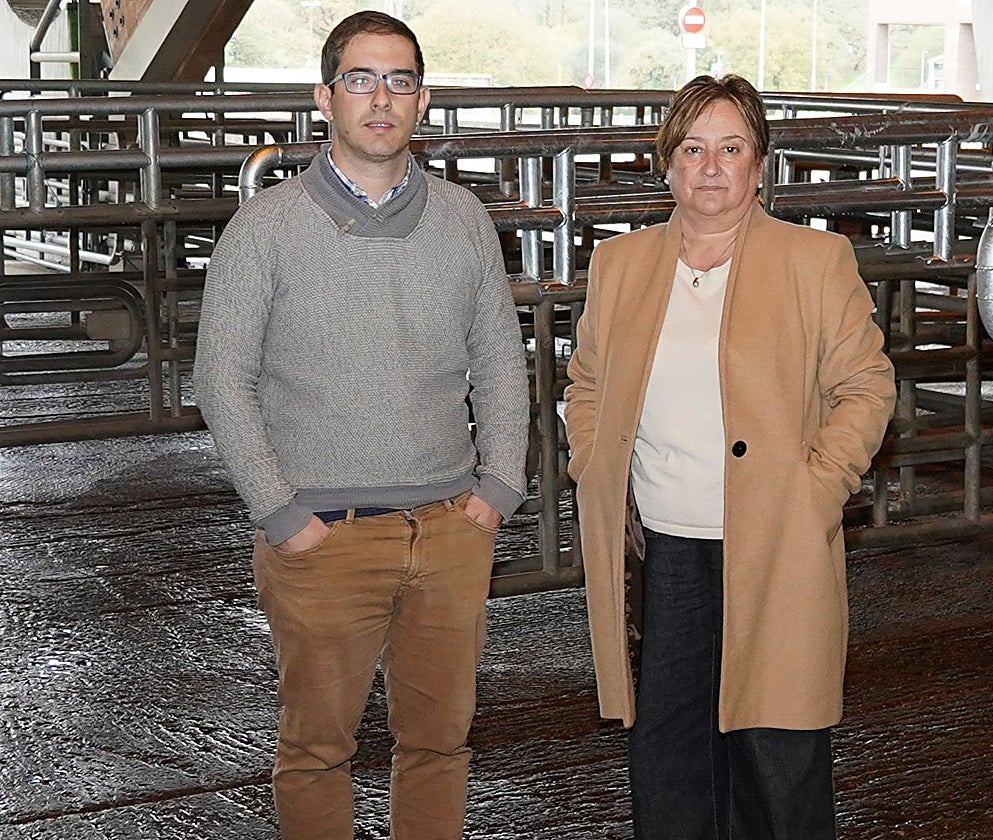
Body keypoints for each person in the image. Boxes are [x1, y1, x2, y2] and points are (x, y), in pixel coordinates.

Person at [193, 12, 529, 840]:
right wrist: (282, 516)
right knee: (315, 750)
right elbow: (220, 379)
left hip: (450, 529)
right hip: (322, 537)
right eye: (361, 79)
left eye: (401, 80)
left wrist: (497, 489)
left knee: (441, 745)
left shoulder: (463, 220)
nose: (382, 99)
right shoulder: (265, 228)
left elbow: (499, 362)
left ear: (423, 101)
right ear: (324, 97)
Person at [563, 74, 895, 839]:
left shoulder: (815, 261)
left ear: (760, 164)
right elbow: (585, 382)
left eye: (731, 148)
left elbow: (868, 387)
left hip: (774, 543)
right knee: (668, 751)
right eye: (693, 148)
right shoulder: (621, 265)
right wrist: (594, 463)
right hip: (664, 553)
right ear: (668, 164)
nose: (711, 167)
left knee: (777, 753)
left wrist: (816, 490)